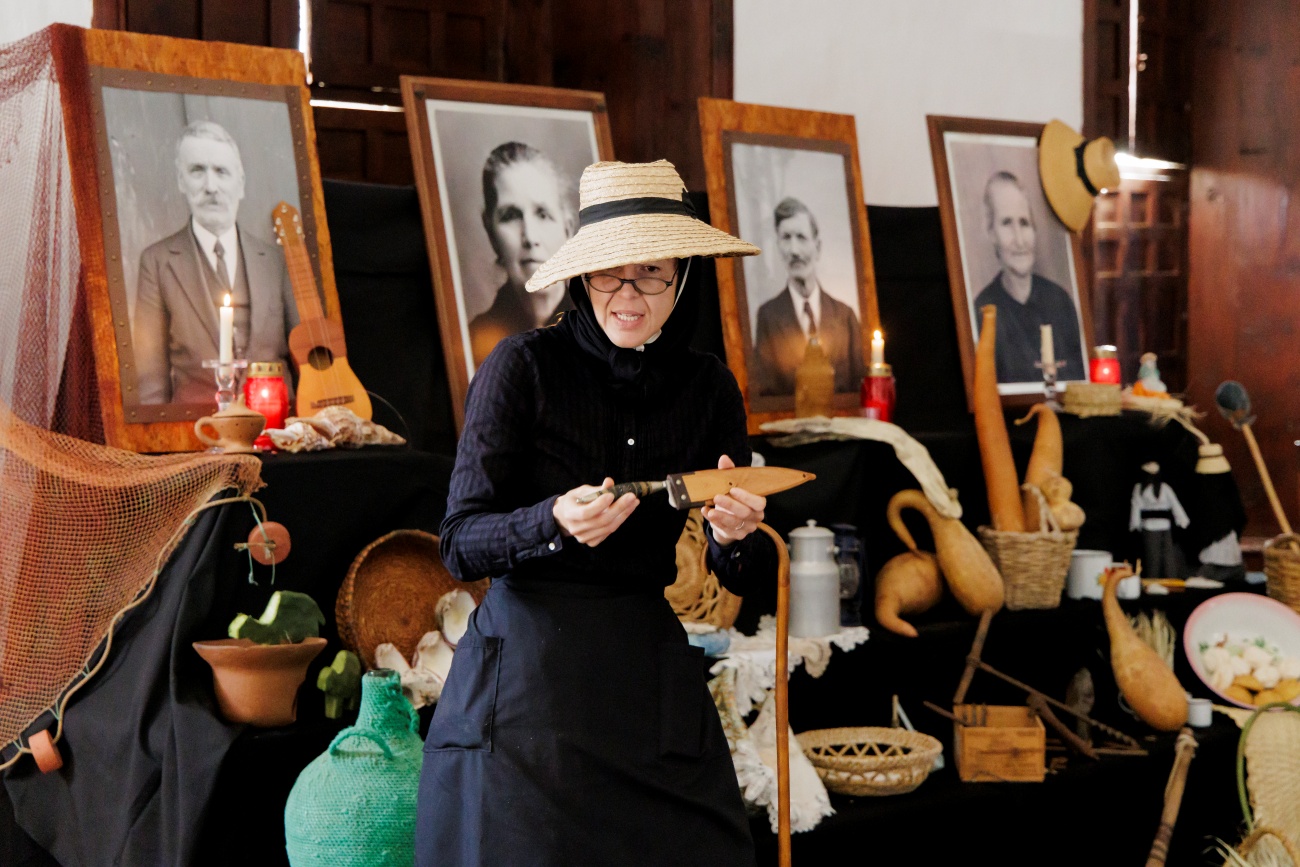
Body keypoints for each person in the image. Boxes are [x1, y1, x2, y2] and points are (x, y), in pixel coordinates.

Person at [418, 159, 765, 866]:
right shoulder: (521, 367)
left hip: (647, 674)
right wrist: (550, 522)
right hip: (527, 686)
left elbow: (742, 574)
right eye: (610, 273)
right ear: (582, 275)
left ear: (684, 274)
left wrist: (735, 536)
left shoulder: (709, 388)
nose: (628, 294)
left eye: (652, 273)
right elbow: (458, 542)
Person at [133, 120, 297, 405]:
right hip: (196, 430)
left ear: (240, 183)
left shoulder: (276, 261)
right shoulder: (157, 262)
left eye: (221, 172)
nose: (211, 186)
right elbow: (150, 380)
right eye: (197, 171)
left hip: (276, 426)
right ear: (181, 181)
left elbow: (307, 359)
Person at [468, 142, 576, 368]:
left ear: (567, 228)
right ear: (490, 231)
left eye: (543, 214)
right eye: (510, 216)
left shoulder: (605, 332)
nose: (530, 236)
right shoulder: (471, 341)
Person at [972, 171, 1083, 384]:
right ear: (991, 233)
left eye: (1024, 223)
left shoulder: (1060, 301)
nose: (1020, 240)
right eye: (1006, 223)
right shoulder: (983, 311)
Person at [751, 197, 865, 396]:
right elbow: (765, 394)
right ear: (778, 246)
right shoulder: (768, 317)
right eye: (786, 238)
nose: (794, 250)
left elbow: (860, 388)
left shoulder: (845, 315)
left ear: (818, 246)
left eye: (801, 237)